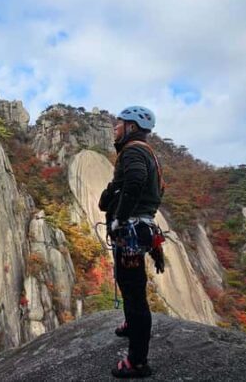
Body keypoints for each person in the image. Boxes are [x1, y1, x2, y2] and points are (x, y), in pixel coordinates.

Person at [99, 105, 166, 378]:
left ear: (132, 127)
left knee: (135, 292)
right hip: (139, 228)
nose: (115, 127)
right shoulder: (143, 151)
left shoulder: (134, 151)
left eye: (119, 123)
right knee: (127, 282)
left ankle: (138, 361)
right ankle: (130, 323)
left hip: (130, 229)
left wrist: (119, 218)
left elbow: (136, 181)